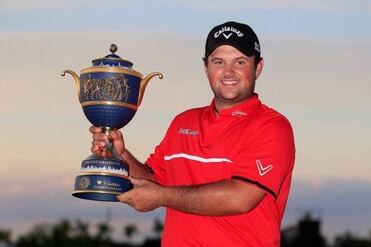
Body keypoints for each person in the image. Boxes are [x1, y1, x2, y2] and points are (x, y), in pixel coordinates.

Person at [91, 21, 295, 247]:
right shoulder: (183, 122)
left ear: (258, 67)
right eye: (219, 62)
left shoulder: (272, 126)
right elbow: (152, 180)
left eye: (240, 62)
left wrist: (160, 197)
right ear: (205, 67)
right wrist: (120, 154)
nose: (228, 72)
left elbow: (241, 197)